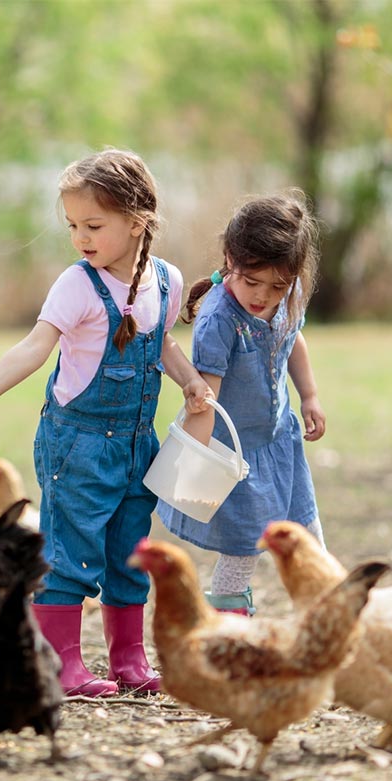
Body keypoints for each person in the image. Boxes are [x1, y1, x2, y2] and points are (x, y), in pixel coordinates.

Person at [0, 148, 210, 697]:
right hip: (77, 443)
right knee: (70, 551)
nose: (80, 237)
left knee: (130, 551)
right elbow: (36, 346)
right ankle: (62, 664)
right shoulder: (77, 285)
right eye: (72, 226)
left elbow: (163, 344)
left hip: (137, 444)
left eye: (93, 225)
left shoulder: (167, 280)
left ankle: (128, 660)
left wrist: (191, 380)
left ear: (137, 223)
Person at [157, 189, 326, 617]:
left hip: (279, 441)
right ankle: (228, 621)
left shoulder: (288, 297)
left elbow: (293, 340)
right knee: (243, 548)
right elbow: (204, 398)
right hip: (238, 457)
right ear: (231, 258)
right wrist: (192, 463)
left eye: (277, 285)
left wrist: (309, 396)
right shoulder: (219, 320)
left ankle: (327, 608)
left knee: (306, 530)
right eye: (252, 282)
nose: (263, 295)